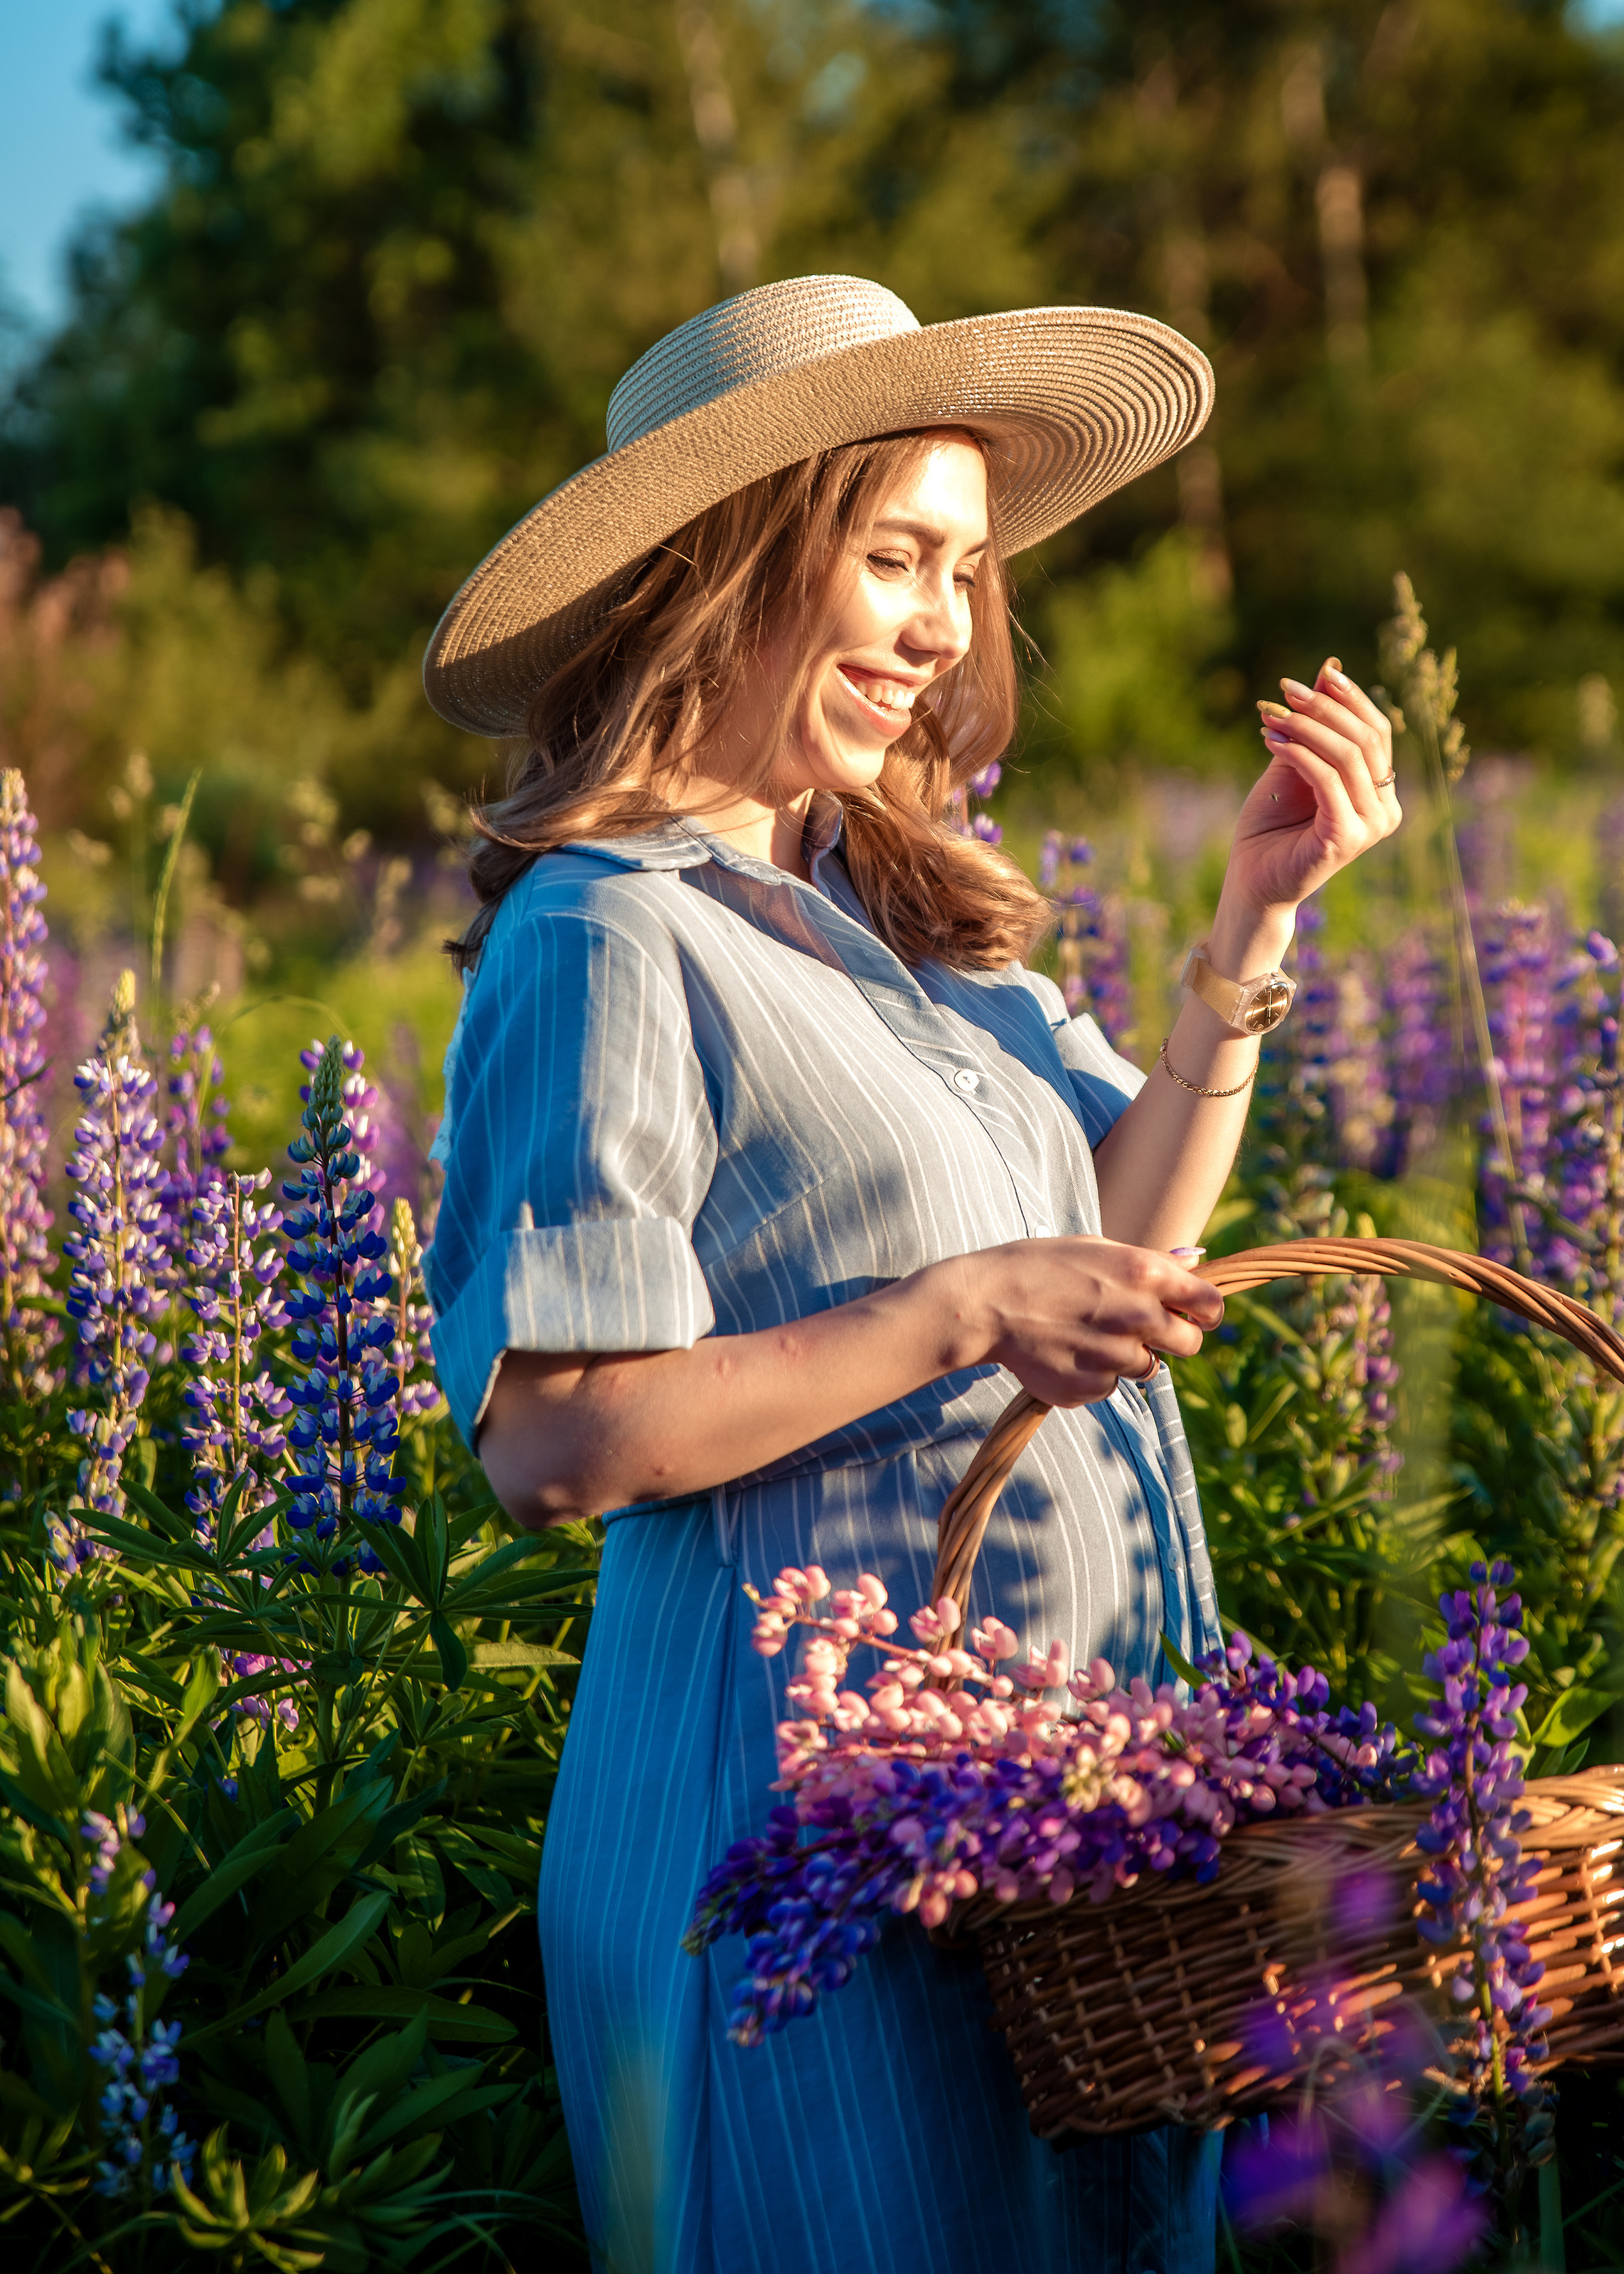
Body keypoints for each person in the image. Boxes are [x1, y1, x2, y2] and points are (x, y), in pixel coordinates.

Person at [422, 274, 1401, 2274]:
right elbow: (561, 1437)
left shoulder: (909, 928)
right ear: (735, 567)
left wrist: (1248, 933)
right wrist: (958, 1311)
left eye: (967, 569)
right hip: (788, 1852)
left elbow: (1120, 1264)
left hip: (1047, 1832)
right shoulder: (611, 932)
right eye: (896, 557)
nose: (947, 623)